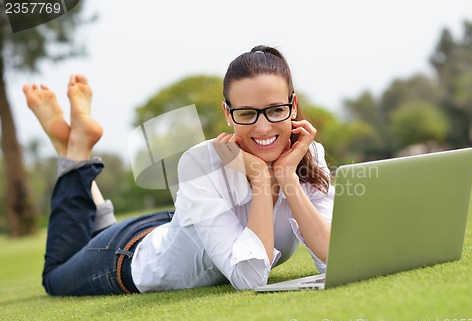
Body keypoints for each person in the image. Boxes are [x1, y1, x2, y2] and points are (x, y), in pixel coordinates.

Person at [23, 45, 334, 296]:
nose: (263, 126)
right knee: (55, 275)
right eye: (247, 113)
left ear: (292, 106)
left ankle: (72, 152)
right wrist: (260, 179)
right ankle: (75, 153)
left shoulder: (305, 155)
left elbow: (335, 257)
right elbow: (250, 277)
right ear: (228, 113)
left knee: (100, 234)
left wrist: (287, 177)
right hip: (129, 256)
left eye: (276, 110)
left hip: (179, 224)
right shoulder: (200, 163)